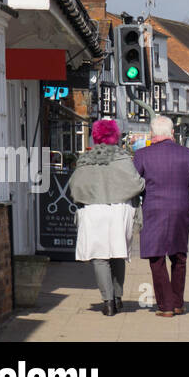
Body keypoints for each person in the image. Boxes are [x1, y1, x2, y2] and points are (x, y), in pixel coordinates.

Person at [69, 118, 145, 316]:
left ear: (95, 136)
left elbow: (75, 188)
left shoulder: (85, 159)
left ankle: (108, 302)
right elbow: (137, 184)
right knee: (118, 253)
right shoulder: (122, 157)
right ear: (115, 136)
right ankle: (118, 297)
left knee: (100, 257)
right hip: (119, 210)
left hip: (93, 211)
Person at [134, 115, 189, 317]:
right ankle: (177, 303)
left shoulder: (142, 155)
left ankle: (166, 306)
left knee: (156, 259)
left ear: (153, 134)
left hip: (153, 212)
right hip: (180, 210)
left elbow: (134, 185)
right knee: (179, 257)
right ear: (172, 133)